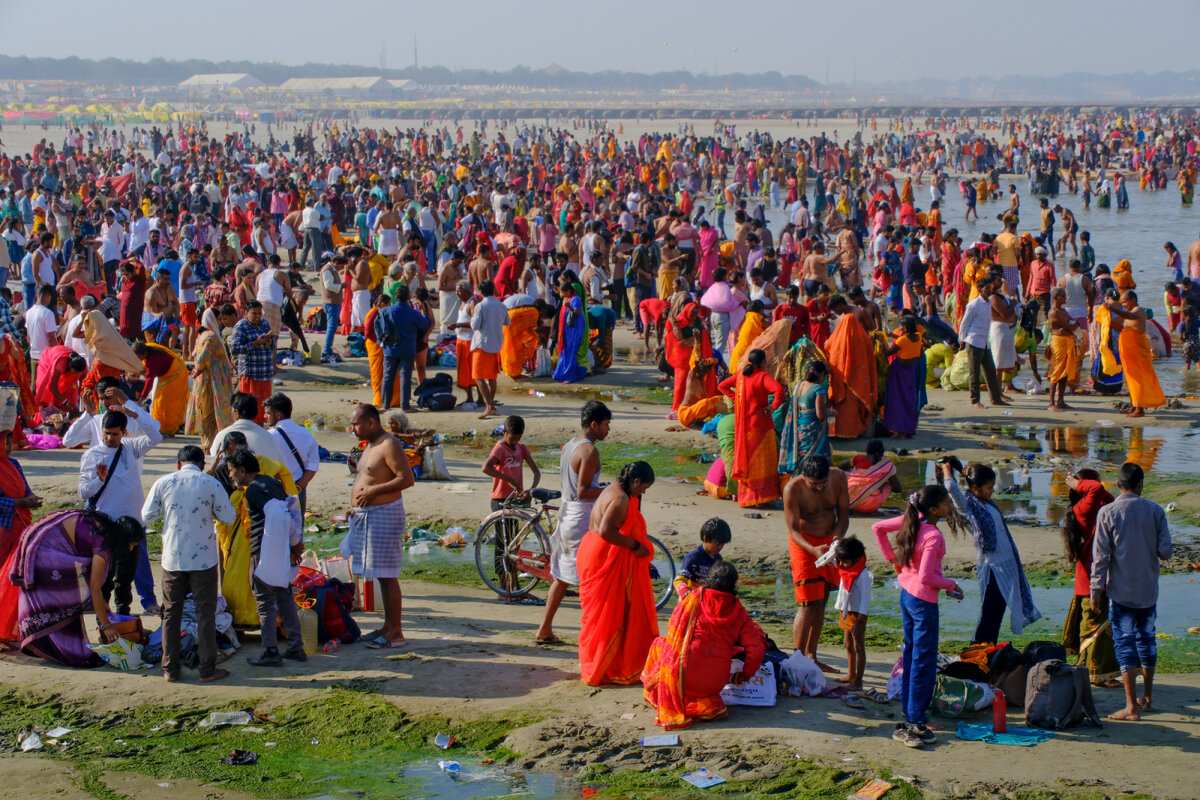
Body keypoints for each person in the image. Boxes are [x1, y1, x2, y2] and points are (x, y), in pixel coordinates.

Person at [872, 483, 964, 748]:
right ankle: (916, 718)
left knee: (912, 654)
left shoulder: (913, 520)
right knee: (923, 660)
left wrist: (894, 561)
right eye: (946, 503)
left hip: (907, 595)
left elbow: (877, 528)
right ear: (933, 508)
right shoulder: (933, 535)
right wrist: (951, 584)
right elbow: (927, 577)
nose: (949, 507)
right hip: (923, 601)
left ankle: (909, 709)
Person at [142, 445, 237, 683]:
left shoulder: (164, 482)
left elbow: (147, 516)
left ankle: (170, 669)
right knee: (205, 614)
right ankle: (207, 669)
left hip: (173, 558)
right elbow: (228, 516)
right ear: (202, 465)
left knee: (171, 613)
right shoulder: (211, 483)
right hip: (203, 560)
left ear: (179, 464)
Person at [8, 510, 146, 667]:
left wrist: (101, 605)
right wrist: (106, 626)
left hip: (38, 541)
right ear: (123, 540)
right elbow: (95, 589)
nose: (130, 550)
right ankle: (60, 648)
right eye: (132, 545)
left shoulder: (103, 526)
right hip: (44, 552)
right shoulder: (103, 545)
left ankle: (49, 645)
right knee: (67, 599)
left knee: (72, 596)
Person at [641, 560, 765, 730]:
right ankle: (705, 703)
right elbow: (756, 648)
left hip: (683, 677)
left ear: (709, 578)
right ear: (733, 584)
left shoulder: (693, 599)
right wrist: (744, 675)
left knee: (659, 644)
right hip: (714, 683)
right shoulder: (739, 611)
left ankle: (672, 695)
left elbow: (673, 631)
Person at [1092, 462, 1172, 721]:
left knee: (1124, 643)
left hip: (1120, 593)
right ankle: (1146, 699)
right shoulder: (1156, 511)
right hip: (1147, 591)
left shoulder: (1107, 512)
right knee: (1147, 641)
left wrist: (1095, 590)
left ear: (1118, 485)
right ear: (1140, 485)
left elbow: (1100, 557)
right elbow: (1166, 551)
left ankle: (1131, 707)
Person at [577, 461, 659, 686]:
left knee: (605, 614)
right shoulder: (621, 498)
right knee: (608, 615)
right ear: (635, 481)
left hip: (592, 549)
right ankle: (603, 667)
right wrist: (635, 545)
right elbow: (606, 531)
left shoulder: (613, 487)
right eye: (644, 488)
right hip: (603, 555)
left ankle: (608, 663)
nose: (643, 492)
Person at [78, 401, 162, 616]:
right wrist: (99, 480)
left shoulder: (131, 448)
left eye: (114, 434)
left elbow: (156, 436)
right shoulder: (92, 455)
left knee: (127, 574)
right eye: (106, 433)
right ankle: (103, 614)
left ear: (123, 433)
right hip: (107, 524)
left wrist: (133, 413)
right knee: (106, 575)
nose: (109, 438)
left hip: (134, 523)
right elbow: (83, 492)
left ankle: (125, 613)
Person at [536, 401, 610, 645]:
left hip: (569, 514)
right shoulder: (589, 451)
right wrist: (610, 489)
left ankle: (545, 628)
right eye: (606, 424)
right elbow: (583, 491)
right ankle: (592, 635)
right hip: (581, 518)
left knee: (563, 577)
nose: (608, 429)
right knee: (590, 578)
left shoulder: (570, 444)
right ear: (594, 424)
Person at [945, 462, 1041, 644]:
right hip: (992, 568)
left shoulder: (987, 504)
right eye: (989, 487)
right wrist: (947, 470)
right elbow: (952, 489)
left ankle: (988, 649)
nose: (992, 491)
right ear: (975, 488)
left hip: (1006, 566)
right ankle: (978, 650)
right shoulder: (969, 508)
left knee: (997, 613)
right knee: (989, 612)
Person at [227, 449, 306, 666]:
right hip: (280, 549)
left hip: (263, 551)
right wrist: (294, 543)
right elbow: (291, 511)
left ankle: (271, 651)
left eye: (232, 471)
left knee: (264, 602)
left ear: (242, 470)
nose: (231, 475)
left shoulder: (254, 490)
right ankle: (296, 647)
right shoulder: (272, 483)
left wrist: (292, 545)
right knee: (284, 596)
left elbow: (279, 515)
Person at [347, 404, 415, 649]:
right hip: (368, 515)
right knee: (380, 574)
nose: (353, 429)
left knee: (388, 575)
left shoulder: (389, 444)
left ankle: (396, 632)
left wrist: (374, 491)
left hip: (385, 514)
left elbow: (407, 478)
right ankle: (387, 627)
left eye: (356, 424)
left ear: (371, 422)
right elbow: (368, 476)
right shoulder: (370, 445)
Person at [783, 455, 849, 663]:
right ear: (804, 476)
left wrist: (837, 539)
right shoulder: (792, 489)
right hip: (804, 544)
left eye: (823, 483)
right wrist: (812, 549)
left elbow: (844, 515)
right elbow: (793, 530)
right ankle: (797, 659)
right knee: (807, 603)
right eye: (814, 484)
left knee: (821, 600)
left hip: (830, 542)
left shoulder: (839, 477)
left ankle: (812, 656)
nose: (819, 488)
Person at [1060, 468, 1120, 688]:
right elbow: (1097, 489)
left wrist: (1084, 486)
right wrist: (1080, 484)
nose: (1100, 487)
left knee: (1098, 627)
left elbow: (1112, 500)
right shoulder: (1084, 507)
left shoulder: (1095, 506)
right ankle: (1098, 675)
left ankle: (1093, 672)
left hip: (1094, 574)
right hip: (1093, 576)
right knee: (1098, 628)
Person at [718, 349, 785, 508]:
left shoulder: (741, 375)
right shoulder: (762, 376)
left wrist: (739, 400)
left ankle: (748, 497)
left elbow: (722, 386)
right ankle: (761, 498)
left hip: (745, 428)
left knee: (748, 462)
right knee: (762, 464)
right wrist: (773, 407)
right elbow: (779, 390)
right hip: (761, 426)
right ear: (762, 362)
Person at [1105, 290, 1165, 417]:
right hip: (1129, 350)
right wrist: (1104, 318)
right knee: (1131, 378)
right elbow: (1121, 324)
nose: (1123, 305)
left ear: (1133, 300)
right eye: (1121, 303)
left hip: (1138, 350)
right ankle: (1133, 405)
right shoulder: (1127, 313)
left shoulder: (1139, 310)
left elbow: (1129, 316)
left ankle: (1140, 409)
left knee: (1139, 378)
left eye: (1125, 302)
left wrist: (1113, 309)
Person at [185, 309, 235, 449]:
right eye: (219, 319)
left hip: (207, 379)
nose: (221, 322)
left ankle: (208, 443)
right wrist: (198, 369)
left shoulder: (202, 335)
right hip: (213, 381)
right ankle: (210, 444)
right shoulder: (211, 337)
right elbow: (203, 357)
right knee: (211, 412)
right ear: (212, 320)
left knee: (206, 412)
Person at [376, 284, 430, 411]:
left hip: (390, 349)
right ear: (408, 297)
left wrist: (381, 340)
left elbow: (377, 324)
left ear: (396, 296)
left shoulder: (385, 311)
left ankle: (385, 405)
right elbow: (424, 325)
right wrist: (424, 314)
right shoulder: (413, 313)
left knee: (388, 377)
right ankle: (405, 406)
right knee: (405, 377)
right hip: (407, 349)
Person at [264, 393, 319, 514]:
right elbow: (313, 465)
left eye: (268, 413)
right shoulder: (306, 433)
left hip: (276, 489)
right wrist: (299, 486)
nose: (265, 416)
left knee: (276, 524)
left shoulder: (269, 436)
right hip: (298, 490)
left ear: (278, 415)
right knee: (297, 523)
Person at [958, 278, 1008, 408]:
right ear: (980, 289)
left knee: (990, 371)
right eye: (987, 288)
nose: (990, 290)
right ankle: (975, 400)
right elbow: (965, 323)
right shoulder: (974, 304)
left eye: (990, 287)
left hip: (985, 342)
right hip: (974, 341)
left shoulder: (989, 303)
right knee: (974, 373)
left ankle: (995, 399)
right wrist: (961, 340)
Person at [832, 536, 872, 695]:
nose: (841, 564)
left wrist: (860, 621)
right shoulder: (846, 570)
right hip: (846, 610)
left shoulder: (863, 575)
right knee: (848, 644)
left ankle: (858, 682)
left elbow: (865, 600)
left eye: (844, 561)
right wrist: (836, 544)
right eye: (840, 561)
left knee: (859, 647)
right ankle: (851, 675)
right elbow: (831, 557)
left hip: (857, 614)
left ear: (856, 560)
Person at [779, 361, 832, 474]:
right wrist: (831, 412)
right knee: (815, 457)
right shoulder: (818, 390)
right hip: (813, 430)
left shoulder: (799, 385)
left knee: (802, 455)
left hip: (800, 427)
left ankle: (800, 476)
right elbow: (820, 414)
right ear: (821, 374)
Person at [207, 392, 287, 465]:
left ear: (236, 413)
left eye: (232, 410)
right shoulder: (267, 437)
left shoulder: (221, 435)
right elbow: (280, 465)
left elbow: (214, 464)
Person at [229, 301, 276, 422]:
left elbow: (273, 344)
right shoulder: (240, 327)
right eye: (254, 313)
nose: (257, 316)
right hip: (250, 375)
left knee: (263, 409)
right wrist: (255, 343)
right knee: (249, 409)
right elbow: (235, 349)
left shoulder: (264, 323)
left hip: (265, 374)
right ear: (246, 312)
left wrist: (269, 342)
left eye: (259, 313)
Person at [131, 340, 188, 436]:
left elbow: (149, 381)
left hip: (175, 375)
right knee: (159, 401)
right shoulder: (148, 348)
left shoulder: (153, 361)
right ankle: (160, 426)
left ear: (144, 353)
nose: (138, 359)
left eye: (139, 357)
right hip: (166, 375)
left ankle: (168, 429)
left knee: (166, 403)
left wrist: (142, 397)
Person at [470, 280, 509, 419]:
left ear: (481, 292)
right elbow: (507, 322)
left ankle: (489, 406)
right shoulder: (501, 305)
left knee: (478, 377)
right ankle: (490, 405)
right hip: (496, 344)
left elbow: (475, 326)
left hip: (482, 344)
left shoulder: (480, 306)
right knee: (492, 377)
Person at [882, 315, 922, 438]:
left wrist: (881, 341)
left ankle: (900, 431)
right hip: (910, 371)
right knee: (908, 399)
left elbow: (887, 353)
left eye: (900, 326)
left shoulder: (902, 340)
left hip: (899, 372)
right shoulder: (918, 336)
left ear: (904, 328)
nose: (899, 328)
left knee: (897, 400)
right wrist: (894, 336)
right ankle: (908, 429)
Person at [840, 439, 903, 513]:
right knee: (888, 483)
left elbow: (841, 466)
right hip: (870, 506)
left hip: (848, 501)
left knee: (849, 474)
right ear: (881, 452)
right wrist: (881, 482)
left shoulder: (859, 458)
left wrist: (856, 474)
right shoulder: (886, 465)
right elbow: (898, 489)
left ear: (867, 450)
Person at [1046, 288, 1079, 412]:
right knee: (1057, 370)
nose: (1065, 298)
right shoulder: (1053, 312)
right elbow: (1069, 325)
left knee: (1065, 371)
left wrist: (1072, 325)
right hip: (1059, 342)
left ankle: (1061, 401)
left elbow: (1073, 323)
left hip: (1067, 340)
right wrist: (1071, 325)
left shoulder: (1063, 310)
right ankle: (1051, 403)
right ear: (1056, 298)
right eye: (1063, 296)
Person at [554, 278, 588, 384]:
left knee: (570, 351)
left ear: (568, 291)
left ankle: (570, 376)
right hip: (568, 329)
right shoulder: (568, 298)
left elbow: (577, 313)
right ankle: (567, 373)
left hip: (574, 329)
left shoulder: (575, 299)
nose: (561, 294)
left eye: (563, 292)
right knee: (567, 351)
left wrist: (570, 307)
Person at [679, 517, 731, 585]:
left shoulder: (718, 559)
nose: (720, 547)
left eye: (723, 544)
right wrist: (685, 590)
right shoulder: (692, 558)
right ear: (705, 538)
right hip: (693, 591)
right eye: (717, 543)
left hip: (708, 590)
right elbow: (680, 580)